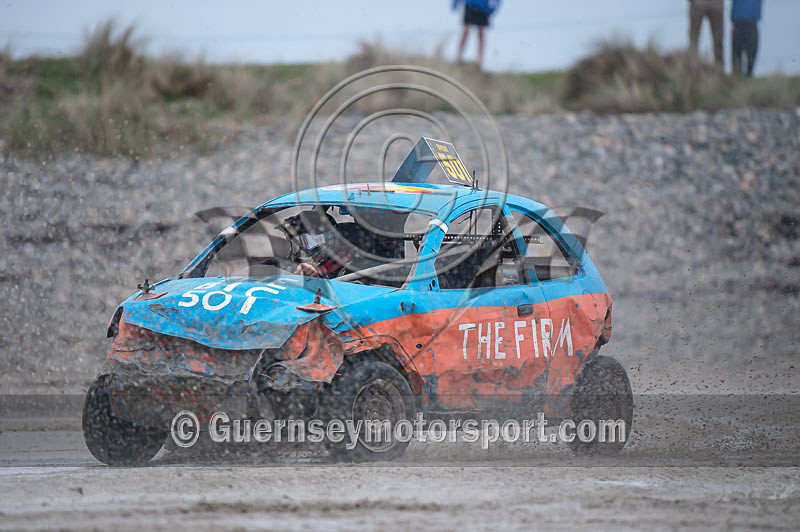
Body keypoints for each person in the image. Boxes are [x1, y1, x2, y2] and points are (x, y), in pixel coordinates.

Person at [453, 0, 501, 67]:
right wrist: (455, 3)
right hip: (470, 5)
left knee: (481, 32)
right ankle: (458, 56)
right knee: (466, 30)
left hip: (483, 8)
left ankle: (479, 61)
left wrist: (492, 8)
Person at [689, 0, 724, 67]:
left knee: (718, 40)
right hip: (702, 4)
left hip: (714, 5)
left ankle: (719, 69)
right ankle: (692, 67)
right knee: (694, 39)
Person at [731, 0, 762, 76]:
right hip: (739, 20)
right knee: (737, 52)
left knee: (751, 51)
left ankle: (748, 74)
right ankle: (738, 75)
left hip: (750, 20)